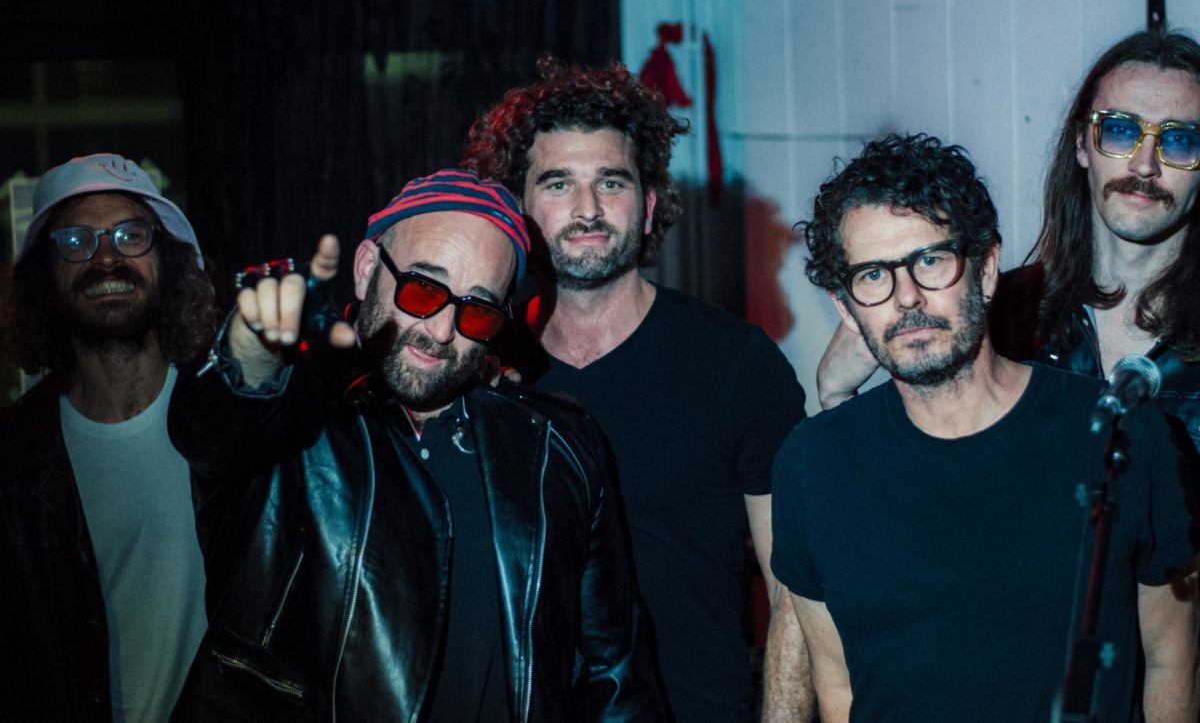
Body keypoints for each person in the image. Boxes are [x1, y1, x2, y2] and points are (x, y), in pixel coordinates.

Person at [167, 168, 664, 721]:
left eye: (477, 310)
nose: (443, 331)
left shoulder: (557, 449)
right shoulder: (300, 416)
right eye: (423, 289)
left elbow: (614, 676)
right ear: (366, 269)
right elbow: (214, 430)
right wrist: (251, 352)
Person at [773, 133, 1198, 722]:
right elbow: (839, 685)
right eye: (872, 275)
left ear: (988, 269)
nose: (907, 297)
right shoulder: (812, 462)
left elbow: (1174, 660)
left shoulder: (1121, 433)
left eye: (930, 260)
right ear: (845, 306)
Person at [461, 59, 811, 722]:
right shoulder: (480, 368)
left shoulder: (735, 363)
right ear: (518, 212)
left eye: (611, 182)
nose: (587, 209)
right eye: (558, 183)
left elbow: (795, 590)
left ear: (647, 208)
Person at [819, 31, 1200, 470]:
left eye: (1179, 141)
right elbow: (932, 484)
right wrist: (836, 395)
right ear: (1081, 143)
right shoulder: (995, 311)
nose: (1144, 164)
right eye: (1119, 130)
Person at [0, 153, 217, 721]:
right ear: (45, 277)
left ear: (166, 259)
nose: (106, 258)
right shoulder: (13, 457)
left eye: (130, 235)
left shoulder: (230, 417)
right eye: (76, 241)